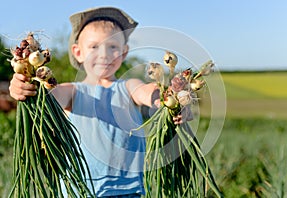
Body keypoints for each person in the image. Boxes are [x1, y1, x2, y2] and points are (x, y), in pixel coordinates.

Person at [9, 6, 187, 197]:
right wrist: (27, 89)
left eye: (112, 47)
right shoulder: (73, 91)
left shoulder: (128, 87)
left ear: (124, 52)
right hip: (79, 192)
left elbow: (147, 92)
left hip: (128, 191)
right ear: (78, 52)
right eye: (94, 47)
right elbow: (49, 96)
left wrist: (168, 101)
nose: (104, 54)